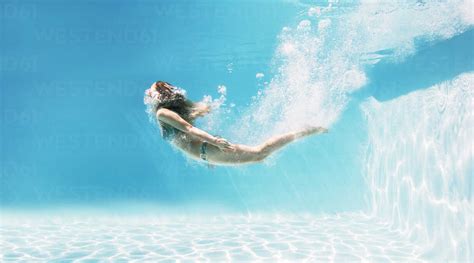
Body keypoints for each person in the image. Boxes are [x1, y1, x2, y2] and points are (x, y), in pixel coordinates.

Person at [144, 81, 328, 166]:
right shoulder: (172, 112)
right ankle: (302, 131)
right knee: (259, 155)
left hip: (207, 149)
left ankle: (303, 131)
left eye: (150, 91)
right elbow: (188, 133)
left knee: (260, 154)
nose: (147, 92)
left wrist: (215, 144)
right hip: (206, 151)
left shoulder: (162, 113)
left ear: (159, 96)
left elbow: (189, 129)